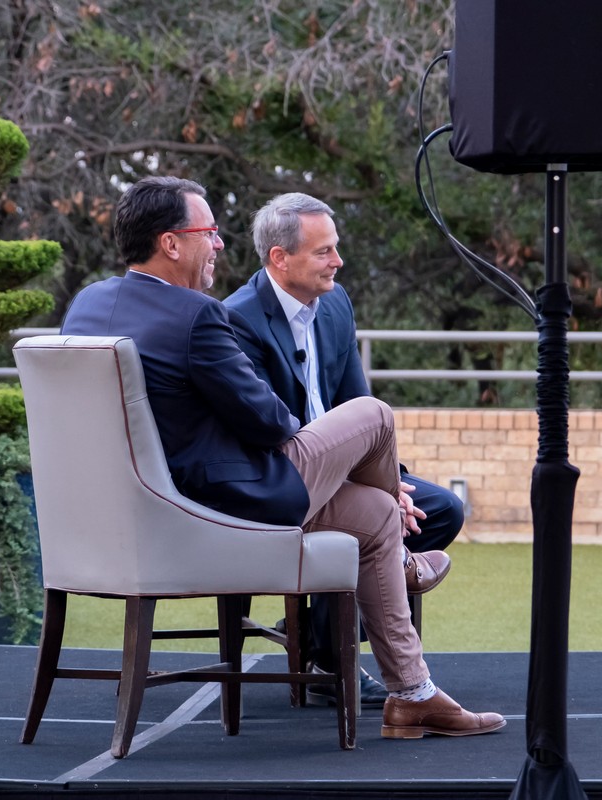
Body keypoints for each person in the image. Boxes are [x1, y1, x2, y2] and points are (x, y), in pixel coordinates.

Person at [60, 176, 504, 739]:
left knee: (374, 513)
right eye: (209, 232)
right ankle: (403, 561)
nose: (219, 244)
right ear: (170, 243)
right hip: (226, 503)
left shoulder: (88, 304)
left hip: (151, 504)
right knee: (374, 415)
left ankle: (412, 695)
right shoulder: (198, 316)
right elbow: (268, 422)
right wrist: (311, 437)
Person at [224, 192, 464, 706]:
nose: (338, 260)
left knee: (440, 509)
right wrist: (379, 490)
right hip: (285, 478)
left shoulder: (335, 303)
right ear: (279, 257)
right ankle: (333, 658)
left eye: (335, 247)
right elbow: (268, 432)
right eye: (324, 251)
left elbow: (355, 398)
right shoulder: (237, 319)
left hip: (351, 472)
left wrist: (389, 482)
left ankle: (319, 640)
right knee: (383, 511)